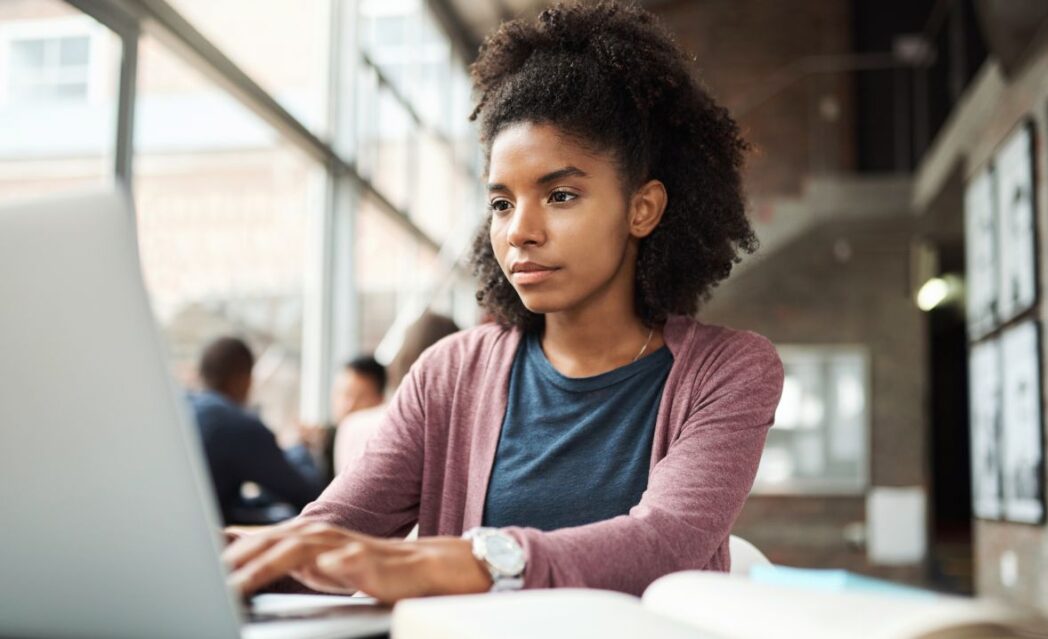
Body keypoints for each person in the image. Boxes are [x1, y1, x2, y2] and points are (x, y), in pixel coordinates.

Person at [224, 1, 784, 603]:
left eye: (561, 195)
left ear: (641, 209)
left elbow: (664, 543)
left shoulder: (730, 372)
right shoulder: (450, 372)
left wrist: (461, 562)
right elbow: (329, 534)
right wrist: (221, 557)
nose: (520, 230)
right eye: (501, 203)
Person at [189, 337, 324, 524]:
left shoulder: (181, 407)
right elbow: (310, 497)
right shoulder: (238, 425)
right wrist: (301, 449)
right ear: (244, 379)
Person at [333, 313, 459, 475]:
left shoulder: (353, 427)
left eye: (359, 397)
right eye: (342, 395)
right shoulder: (450, 433)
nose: (348, 405)